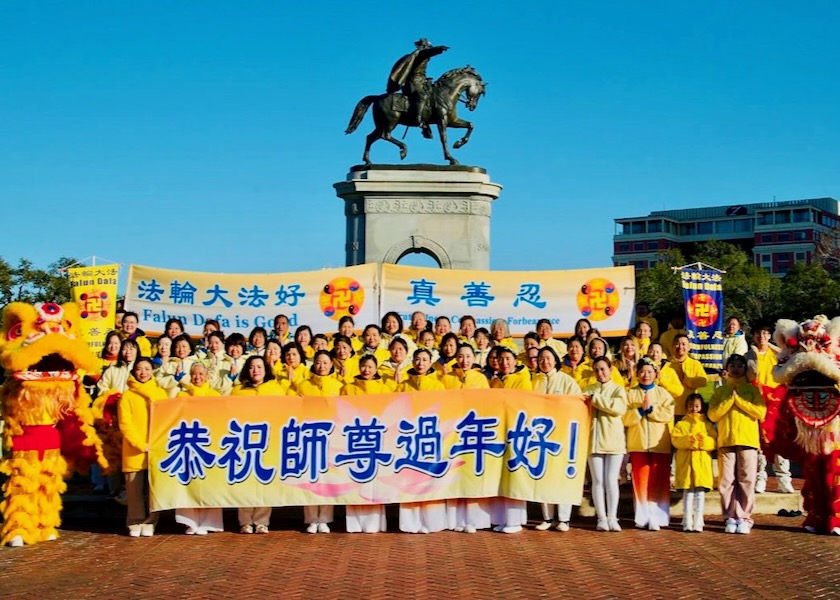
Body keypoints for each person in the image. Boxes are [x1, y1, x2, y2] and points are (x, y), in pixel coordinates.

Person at [708, 354, 766, 535]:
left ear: (744, 368)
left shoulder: (752, 390)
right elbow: (712, 415)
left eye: (739, 365)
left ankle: (745, 517)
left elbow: (760, 412)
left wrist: (739, 401)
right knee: (726, 481)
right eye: (732, 365)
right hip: (726, 440)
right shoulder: (720, 391)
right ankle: (730, 516)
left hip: (747, 440)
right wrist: (729, 401)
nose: (736, 368)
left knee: (746, 480)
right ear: (727, 368)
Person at [396, 348, 448, 533]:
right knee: (410, 479)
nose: (420, 363)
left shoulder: (438, 386)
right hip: (410, 440)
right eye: (417, 359)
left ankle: (431, 522)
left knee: (430, 480)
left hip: (430, 439)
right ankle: (411, 523)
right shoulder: (403, 385)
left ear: (430, 362)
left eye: (424, 360)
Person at [291, 350, 343, 533]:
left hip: (332, 436)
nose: (322, 366)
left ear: (331, 365)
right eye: (318, 362)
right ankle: (312, 519)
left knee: (328, 478)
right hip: (309, 436)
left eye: (325, 362)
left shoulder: (339, 386)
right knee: (311, 478)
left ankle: (325, 519)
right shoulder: (304, 386)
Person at [232, 355, 285, 534]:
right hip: (244, 441)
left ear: (266, 370)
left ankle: (262, 521)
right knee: (244, 481)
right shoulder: (237, 391)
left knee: (265, 481)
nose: (256, 370)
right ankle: (245, 521)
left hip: (268, 441)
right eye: (252, 367)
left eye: (260, 367)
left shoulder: (276, 390)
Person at [532, 347, 583, 532]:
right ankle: (547, 517)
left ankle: (563, 518)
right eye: (541, 358)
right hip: (540, 436)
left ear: (555, 360)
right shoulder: (534, 381)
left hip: (561, 434)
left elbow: (578, 402)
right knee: (542, 476)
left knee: (561, 477)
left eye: (548, 358)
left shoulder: (566, 380)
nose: (544, 361)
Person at [623, 357, 675, 531]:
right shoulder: (630, 393)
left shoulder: (663, 393)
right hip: (638, 444)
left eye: (650, 372)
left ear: (655, 374)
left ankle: (657, 516)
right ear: (637, 374)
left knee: (658, 480)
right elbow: (624, 417)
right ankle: (642, 516)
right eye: (642, 372)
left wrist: (651, 410)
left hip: (659, 443)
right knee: (641, 480)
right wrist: (638, 411)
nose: (646, 375)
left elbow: (668, 413)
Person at [118, 357, 168, 537]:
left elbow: (166, 421)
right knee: (134, 490)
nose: (143, 372)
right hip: (134, 450)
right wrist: (139, 444)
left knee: (154, 489)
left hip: (156, 449)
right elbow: (125, 423)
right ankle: (134, 520)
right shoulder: (127, 396)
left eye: (147, 369)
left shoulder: (160, 393)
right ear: (134, 372)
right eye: (139, 369)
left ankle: (151, 521)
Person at [340, 354, 389, 533]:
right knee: (356, 480)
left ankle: (374, 522)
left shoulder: (385, 388)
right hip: (354, 440)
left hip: (376, 439)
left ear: (376, 369)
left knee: (375, 481)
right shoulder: (348, 388)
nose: (366, 370)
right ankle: (354, 523)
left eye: (370, 366)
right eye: (363, 366)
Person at [175, 363, 224, 535]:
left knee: (209, 484)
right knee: (190, 483)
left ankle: (209, 522)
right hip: (188, 444)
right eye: (194, 374)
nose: (198, 377)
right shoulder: (182, 395)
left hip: (209, 444)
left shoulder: (214, 395)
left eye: (201, 373)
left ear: (207, 375)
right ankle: (190, 521)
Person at [746, 324, 794, 494]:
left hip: (776, 402)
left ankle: (784, 479)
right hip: (757, 402)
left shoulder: (779, 354)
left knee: (779, 440)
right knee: (759, 442)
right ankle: (761, 477)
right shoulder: (748, 356)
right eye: (759, 333)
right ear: (753, 335)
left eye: (765, 333)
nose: (762, 336)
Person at [582, 356, 627, 532]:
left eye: (603, 369)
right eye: (597, 370)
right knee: (598, 481)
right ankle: (601, 518)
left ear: (610, 370)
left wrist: (596, 399)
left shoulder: (618, 389)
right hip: (593, 442)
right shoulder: (588, 389)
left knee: (611, 481)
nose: (600, 373)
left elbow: (618, 408)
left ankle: (612, 517)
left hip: (613, 442)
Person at [489, 346, 531, 533]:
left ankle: (515, 520)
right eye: (501, 359)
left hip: (516, 431)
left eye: (508, 359)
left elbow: (523, 405)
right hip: (499, 432)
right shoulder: (495, 381)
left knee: (515, 475)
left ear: (515, 361)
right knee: (499, 476)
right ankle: (502, 518)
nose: (505, 363)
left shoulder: (522, 380)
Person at [671, 393, 716, 532]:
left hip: (701, 464)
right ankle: (687, 519)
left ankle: (698, 519)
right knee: (688, 493)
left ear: (701, 407)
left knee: (699, 493)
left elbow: (713, 441)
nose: (694, 408)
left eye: (696, 406)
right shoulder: (681, 424)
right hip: (686, 464)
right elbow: (676, 440)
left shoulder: (706, 424)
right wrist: (688, 440)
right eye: (690, 405)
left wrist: (702, 441)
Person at [387, 38, 449, 137]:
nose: (429, 48)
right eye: (428, 47)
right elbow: (428, 53)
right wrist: (438, 49)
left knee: (434, 95)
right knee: (422, 96)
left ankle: (427, 119)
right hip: (413, 84)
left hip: (422, 82)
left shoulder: (417, 55)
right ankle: (419, 120)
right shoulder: (420, 54)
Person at [668, 334, 708, 420]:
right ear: (672, 346)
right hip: (670, 409)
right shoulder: (666, 364)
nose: (680, 347)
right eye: (677, 344)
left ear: (689, 347)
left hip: (689, 410)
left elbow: (703, 381)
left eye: (683, 344)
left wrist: (687, 380)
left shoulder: (695, 364)